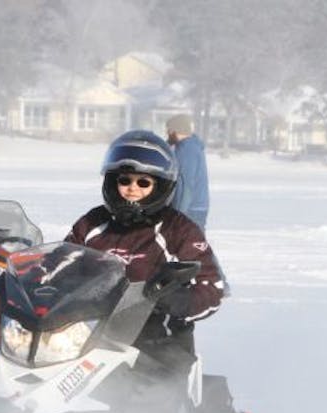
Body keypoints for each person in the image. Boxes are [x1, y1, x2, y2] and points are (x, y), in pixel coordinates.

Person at [64, 129, 225, 362]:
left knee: (154, 395)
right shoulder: (92, 223)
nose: (132, 188)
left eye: (143, 182)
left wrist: (179, 300)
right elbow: (60, 262)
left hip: (158, 341)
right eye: (124, 180)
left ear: (159, 186)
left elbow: (211, 287)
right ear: (112, 181)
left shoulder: (178, 229)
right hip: (89, 335)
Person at [165, 114, 209, 230]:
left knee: (187, 246)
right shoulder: (193, 146)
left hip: (189, 209)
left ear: (174, 131)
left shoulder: (186, 150)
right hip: (196, 207)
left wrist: (178, 213)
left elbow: (185, 184)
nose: (167, 134)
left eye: (168, 130)